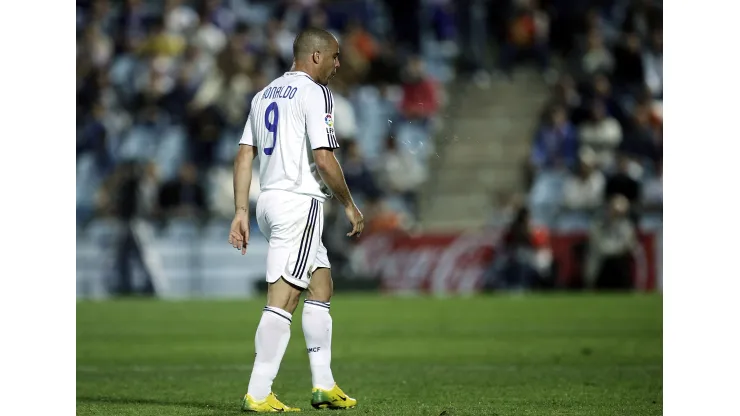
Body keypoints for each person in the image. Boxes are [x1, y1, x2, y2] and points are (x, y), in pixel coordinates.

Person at [228, 28, 363, 412]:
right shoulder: (314, 92)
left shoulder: (264, 94)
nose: (338, 65)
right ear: (316, 56)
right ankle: (258, 391)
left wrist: (240, 210)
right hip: (299, 204)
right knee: (283, 299)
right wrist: (350, 204)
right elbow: (323, 158)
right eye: (335, 56)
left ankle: (324, 384)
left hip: (269, 201)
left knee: (321, 286)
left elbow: (243, 155)